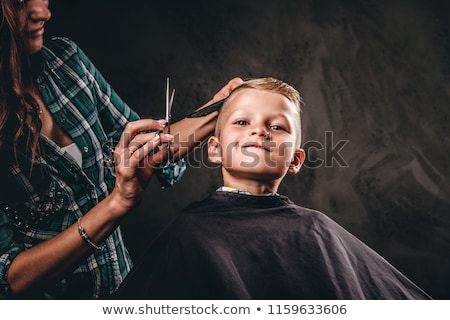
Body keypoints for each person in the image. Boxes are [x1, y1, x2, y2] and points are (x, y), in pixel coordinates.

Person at [0, 0, 242, 299]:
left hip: (123, 292)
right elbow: (10, 280)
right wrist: (116, 204)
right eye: (19, 3)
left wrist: (224, 109)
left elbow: (144, 149)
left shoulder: (66, 61)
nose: (43, 12)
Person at [130, 77, 432, 299]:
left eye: (277, 126)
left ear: (295, 160)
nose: (259, 130)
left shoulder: (317, 230)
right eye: (242, 121)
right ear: (215, 150)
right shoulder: (189, 232)